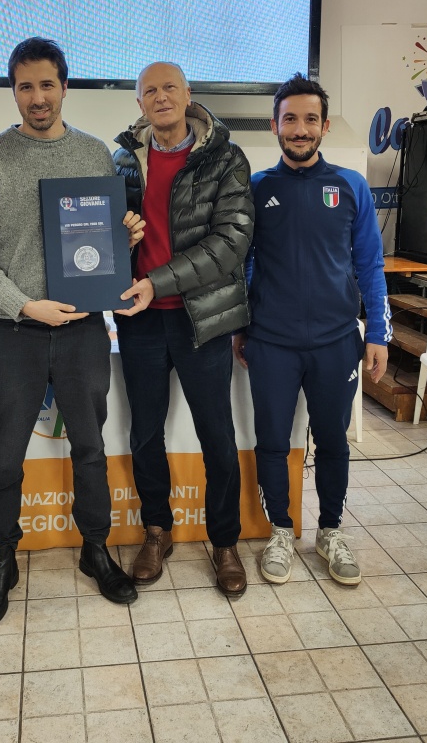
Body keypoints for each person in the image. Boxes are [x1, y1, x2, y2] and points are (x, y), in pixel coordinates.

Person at [0, 37, 144, 627]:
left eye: (46, 84)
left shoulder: (94, 154)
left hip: (85, 330)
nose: (37, 97)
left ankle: (96, 549)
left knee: (90, 447)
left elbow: (103, 242)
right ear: (13, 92)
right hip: (15, 331)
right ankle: (2, 560)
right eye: (25, 86)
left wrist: (123, 239)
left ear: (64, 86)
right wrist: (24, 305)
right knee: (6, 452)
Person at [233, 73, 391, 587]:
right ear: (275, 126)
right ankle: (281, 530)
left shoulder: (351, 185)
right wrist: (242, 325)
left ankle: (330, 530)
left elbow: (370, 265)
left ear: (324, 126)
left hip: (335, 342)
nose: (299, 129)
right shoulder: (257, 187)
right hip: (271, 342)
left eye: (309, 119)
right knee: (272, 441)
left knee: (333, 442)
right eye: (290, 119)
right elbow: (244, 263)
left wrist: (378, 334)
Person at [113, 62, 254, 595]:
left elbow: (231, 242)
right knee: (145, 434)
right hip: (142, 322)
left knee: (217, 434)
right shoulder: (123, 161)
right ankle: (157, 532)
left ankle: (224, 542)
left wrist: (158, 281)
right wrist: (119, 242)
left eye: (169, 87)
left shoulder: (226, 158)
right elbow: (106, 239)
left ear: (188, 94)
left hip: (204, 319)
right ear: (140, 102)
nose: (160, 96)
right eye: (149, 90)